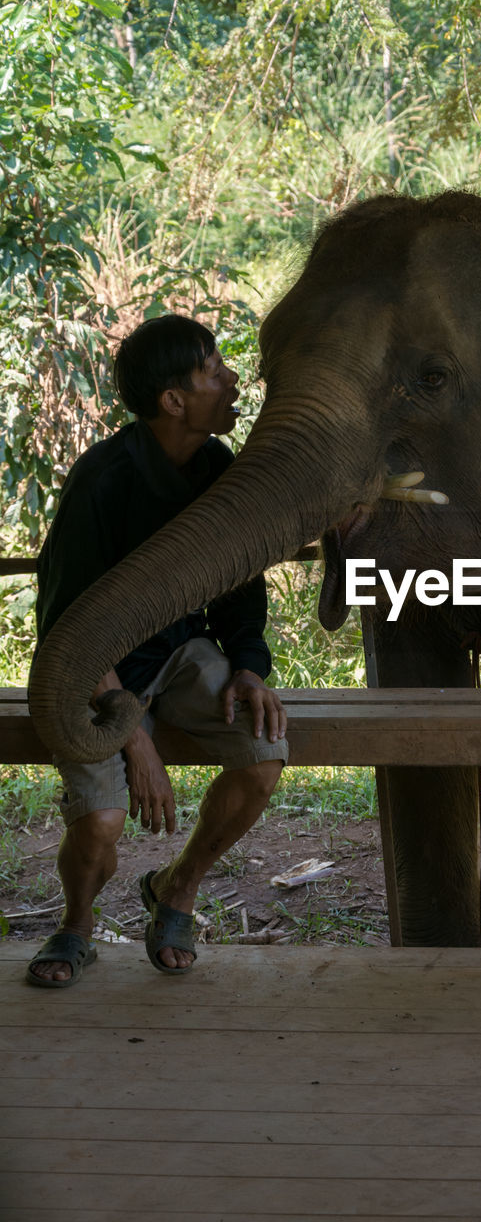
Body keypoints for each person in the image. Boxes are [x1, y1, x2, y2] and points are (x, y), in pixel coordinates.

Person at [26, 314, 289, 986]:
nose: (232, 380)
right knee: (104, 821)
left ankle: (176, 888)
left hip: (180, 655)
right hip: (92, 672)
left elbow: (238, 587)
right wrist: (133, 740)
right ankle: (76, 923)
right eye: (212, 370)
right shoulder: (103, 480)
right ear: (173, 400)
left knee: (263, 757)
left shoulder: (215, 467)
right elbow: (65, 626)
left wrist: (251, 669)